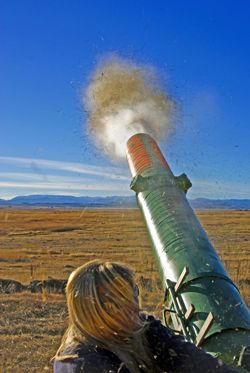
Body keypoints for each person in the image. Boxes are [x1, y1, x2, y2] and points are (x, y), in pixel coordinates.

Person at [53, 260, 237, 373]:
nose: (134, 306)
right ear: (91, 312)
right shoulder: (83, 365)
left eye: (133, 293)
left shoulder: (142, 328)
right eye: (114, 304)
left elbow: (192, 360)